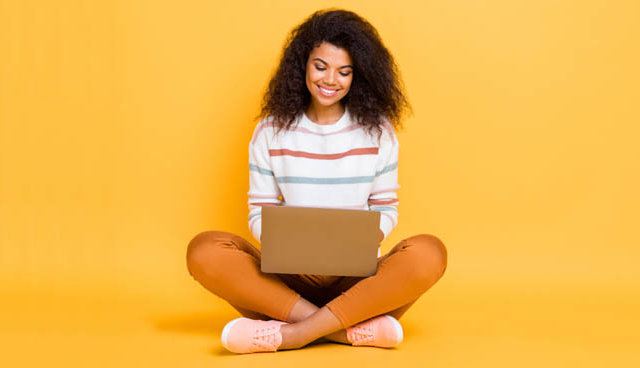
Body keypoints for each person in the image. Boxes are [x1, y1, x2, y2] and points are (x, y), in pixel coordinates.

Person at [185, 8, 448, 354]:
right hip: (287, 281)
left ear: (359, 76)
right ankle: (342, 330)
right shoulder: (270, 130)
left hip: (357, 281)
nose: (330, 80)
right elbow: (259, 210)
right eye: (320, 66)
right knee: (204, 250)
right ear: (303, 65)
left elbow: (385, 207)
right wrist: (287, 245)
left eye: (344, 71)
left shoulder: (379, 131)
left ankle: (290, 334)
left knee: (430, 253)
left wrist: (360, 241)